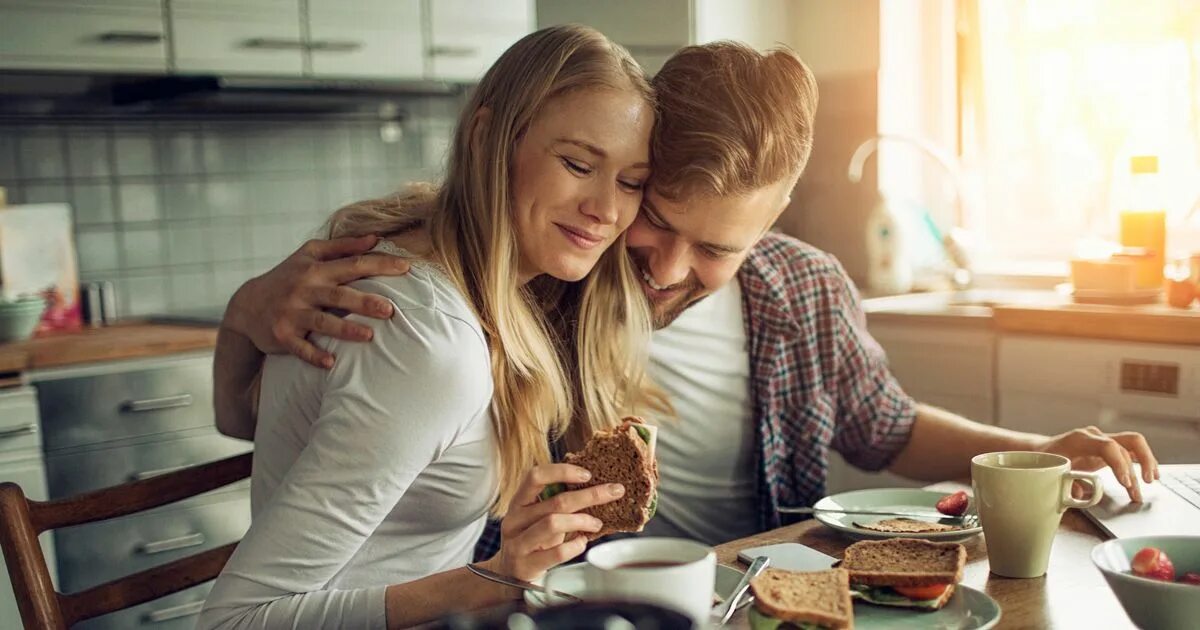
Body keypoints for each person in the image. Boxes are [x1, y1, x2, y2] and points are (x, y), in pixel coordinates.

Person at [213, 41, 1159, 554]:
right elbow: (295, 437)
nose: (665, 268)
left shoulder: (800, 289)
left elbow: (886, 429)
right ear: (635, 171)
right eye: (654, 217)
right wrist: (248, 312)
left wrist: (1036, 450)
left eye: (715, 250)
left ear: (774, 223)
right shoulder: (531, 275)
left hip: (745, 593)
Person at [198, 25, 658, 629]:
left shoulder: (454, 280)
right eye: (577, 163)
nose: (606, 209)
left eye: (630, 183)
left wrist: (240, 320)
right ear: (487, 138)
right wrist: (493, 579)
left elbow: (245, 424)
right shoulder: (422, 340)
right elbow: (235, 621)